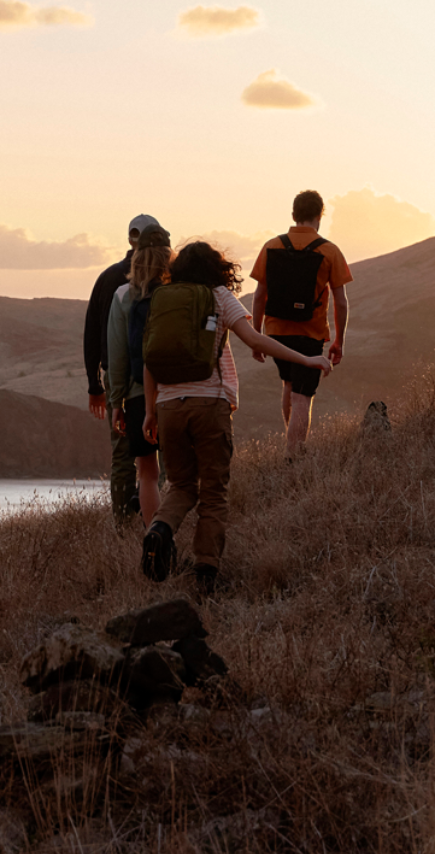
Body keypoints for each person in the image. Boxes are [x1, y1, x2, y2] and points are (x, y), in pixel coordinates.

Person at [141, 242, 332, 594]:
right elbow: (254, 339)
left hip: (169, 407)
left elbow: (149, 358)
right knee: (213, 492)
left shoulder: (163, 299)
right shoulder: (219, 296)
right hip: (209, 405)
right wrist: (306, 360)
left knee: (181, 485)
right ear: (217, 267)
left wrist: (151, 411)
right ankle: (205, 573)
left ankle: (159, 529)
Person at [250, 191, 352, 457]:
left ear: (294, 215)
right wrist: (339, 340)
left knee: (288, 384)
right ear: (319, 216)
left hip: (276, 333)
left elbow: (260, 295)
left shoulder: (271, 246)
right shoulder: (329, 251)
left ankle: (291, 447)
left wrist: (256, 336)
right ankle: (294, 457)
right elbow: (340, 301)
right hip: (310, 333)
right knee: (301, 397)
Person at [84, 214, 161, 519]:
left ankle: (122, 523)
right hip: (162, 378)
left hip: (120, 380)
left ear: (130, 239)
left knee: (122, 455)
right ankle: (163, 521)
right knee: (165, 454)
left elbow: (93, 335)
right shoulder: (170, 279)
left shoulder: (108, 278)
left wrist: (95, 386)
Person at [106, 224, 172, 526]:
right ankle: (175, 532)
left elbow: (117, 356)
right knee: (181, 472)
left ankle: (153, 540)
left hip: (135, 395)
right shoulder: (179, 293)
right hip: (178, 392)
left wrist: (116, 403)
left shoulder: (122, 296)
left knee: (147, 472)